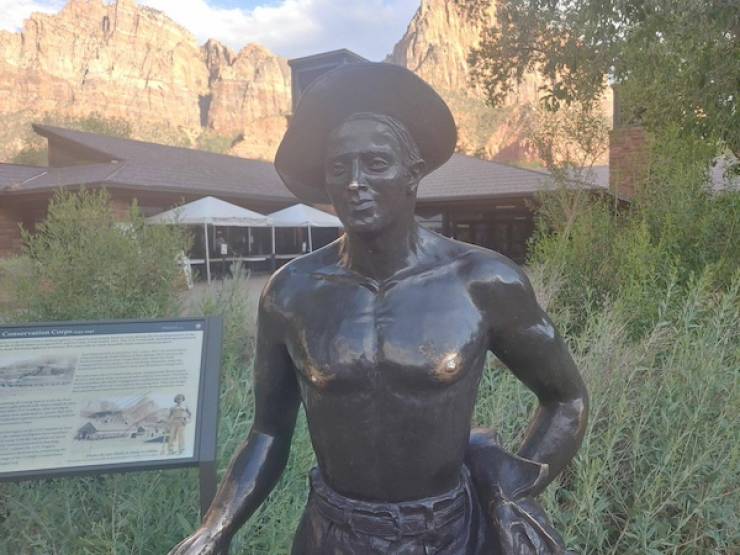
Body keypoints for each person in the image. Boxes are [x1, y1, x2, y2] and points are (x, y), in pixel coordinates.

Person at [170, 63, 588, 555]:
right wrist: (215, 527)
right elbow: (267, 432)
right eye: (339, 168)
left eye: (375, 163)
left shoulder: (482, 281)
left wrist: (514, 489)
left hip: (450, 535)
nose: (354, 182)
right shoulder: (291, 293)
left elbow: (566, 399)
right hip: (332, 536)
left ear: (413, 174)